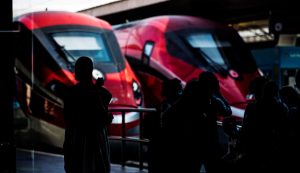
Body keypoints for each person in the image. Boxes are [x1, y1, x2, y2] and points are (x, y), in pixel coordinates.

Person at [63, 56, 111, 173]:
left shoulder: (71, 93)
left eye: (77, 69)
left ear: (83, 71)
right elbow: (106, 103)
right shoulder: (102, 93)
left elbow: (68, 118)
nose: (75, 72)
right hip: (97, 139)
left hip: (78, 138)